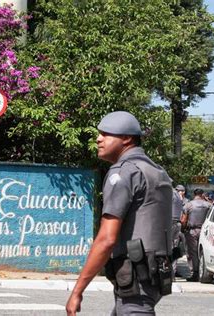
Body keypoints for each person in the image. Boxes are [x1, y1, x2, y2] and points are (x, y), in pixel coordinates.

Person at [66, 111, 173, 316]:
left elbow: (107, 238)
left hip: (135, 283)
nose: (98, 139)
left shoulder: (123, 172)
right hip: (154, 277)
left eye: (106, 134)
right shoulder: (157, 172)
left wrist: (77, 291)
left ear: (126, 138)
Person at [182, 188, 211, 282]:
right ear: (202, 194)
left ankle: (195, 272)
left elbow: (184, 220)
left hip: (192, 231)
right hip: (205, 231)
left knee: (193, 253)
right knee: (205, 252)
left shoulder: (188, 205)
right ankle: (206, 272)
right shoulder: (208, 205)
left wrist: (183, 229)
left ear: (194, 194)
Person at [171, 184, 187, 278]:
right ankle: (172, 271)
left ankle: (171, 272)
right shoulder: (179, 198)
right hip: (177, 223)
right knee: (174, 247)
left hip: (171, 223)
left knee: (170, 247)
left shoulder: (171, 195)